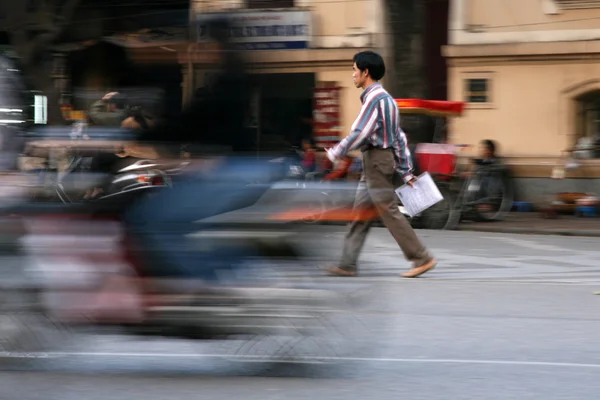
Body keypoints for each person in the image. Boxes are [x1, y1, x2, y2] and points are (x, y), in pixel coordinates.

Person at [325, 50, 437, 278]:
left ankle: (421, 257)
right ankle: (347, 264)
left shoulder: (375, 100)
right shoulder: (387, 100)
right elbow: (400, 138)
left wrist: (337, 152)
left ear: (366, 72)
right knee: (359, 214)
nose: (352, 74)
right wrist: (405, 172)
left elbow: (360, 133)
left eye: (355, 70)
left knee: (389, 211)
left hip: (376, 161)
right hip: (376, 161)